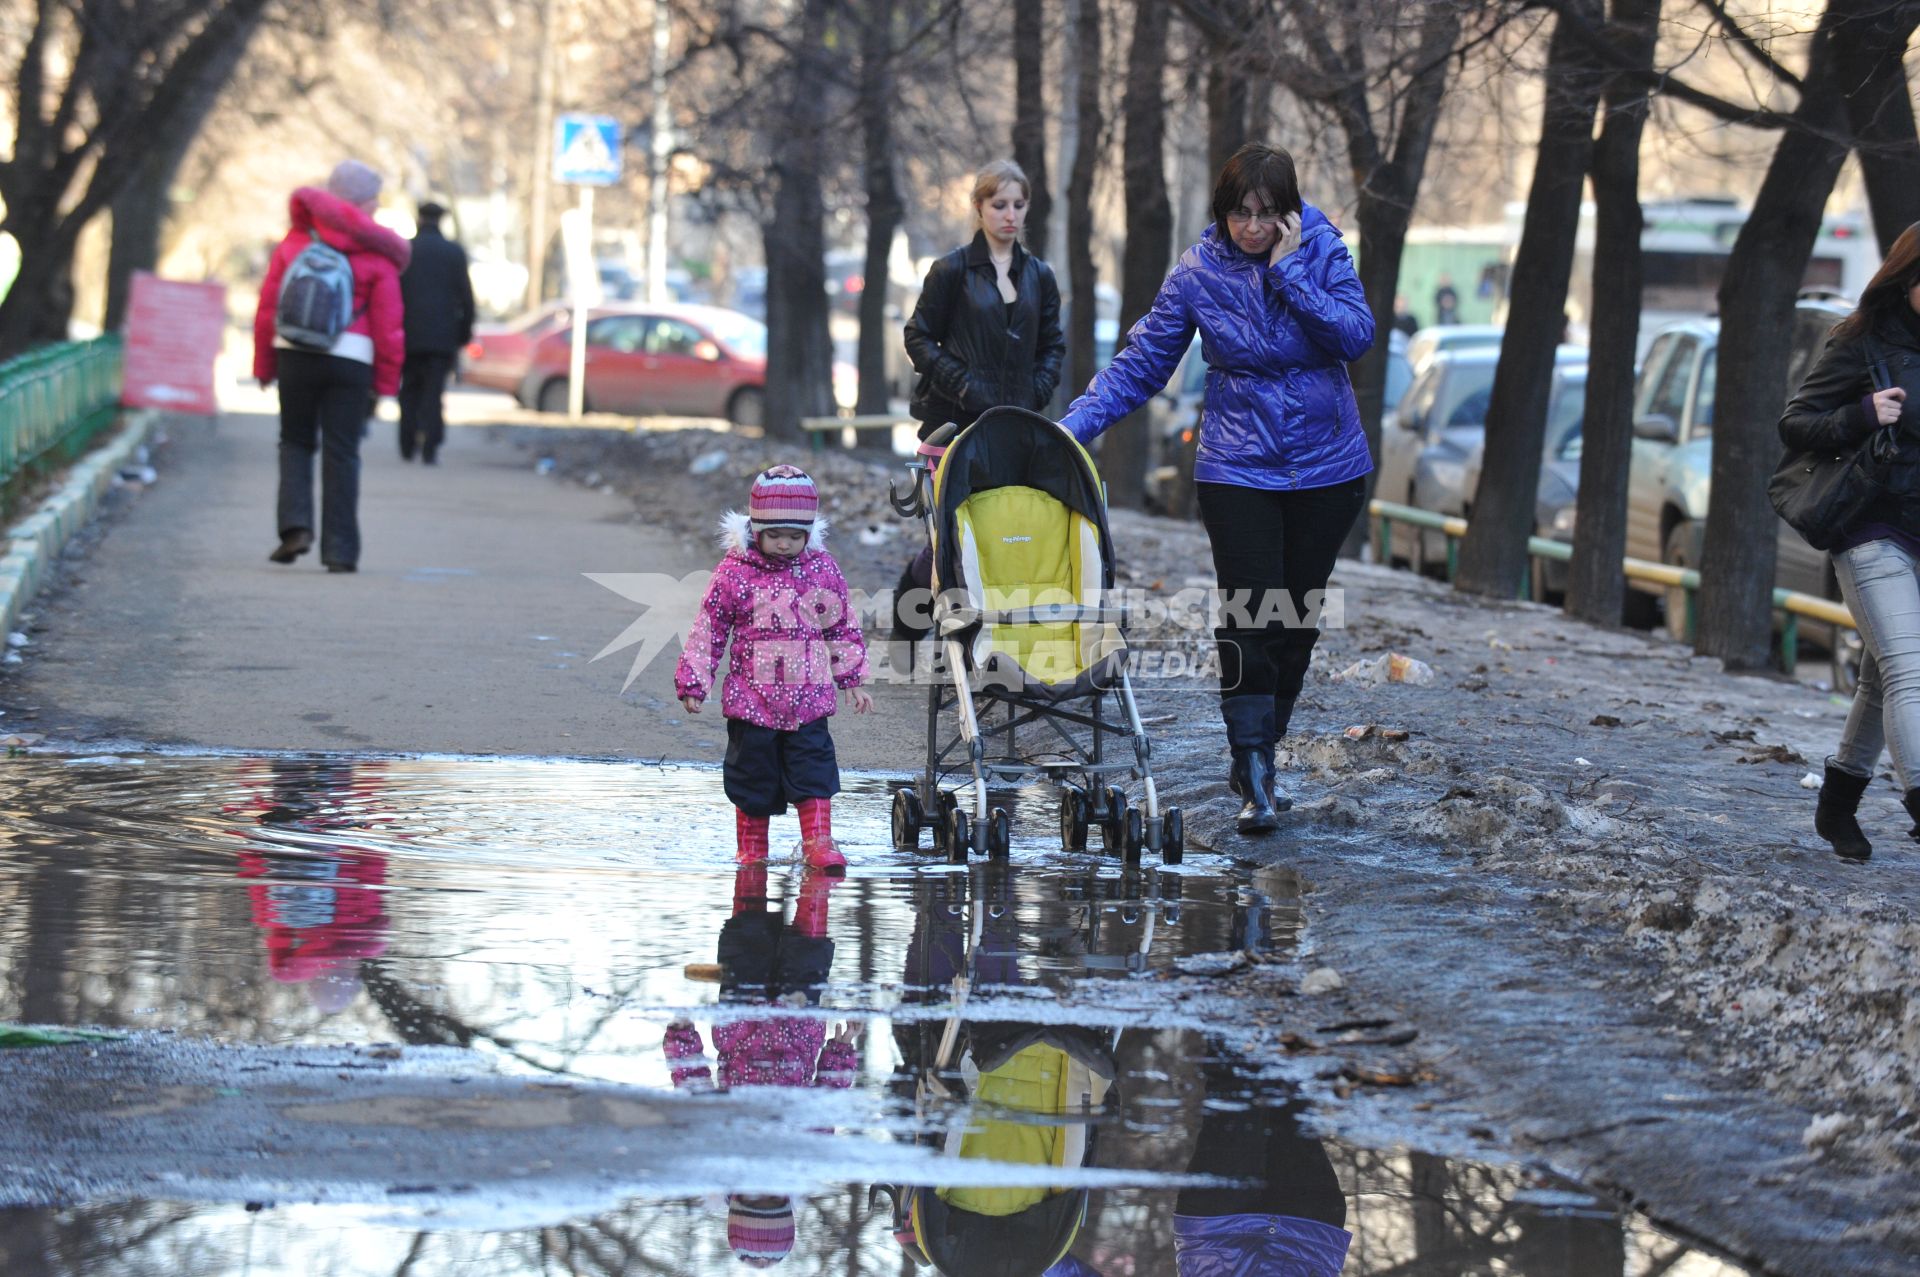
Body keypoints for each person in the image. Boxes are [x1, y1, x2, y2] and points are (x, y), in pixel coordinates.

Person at [1058, 141, 1374, 836]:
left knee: (1296, 620)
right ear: (1222, 212)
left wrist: (1290, 275)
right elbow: (1144, 361)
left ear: (1289, 214)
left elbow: (1355, 334)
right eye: (1240, 214)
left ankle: (1264, 747)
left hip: (1328, 468)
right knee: (1248, 614)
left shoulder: (1320, 248)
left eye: (1267, 214)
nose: (1253, 227)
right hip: (1238, 466)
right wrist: (1071, 428)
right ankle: (1254, 764)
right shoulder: (1198, 270)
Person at [1780, 222, 1920, 863]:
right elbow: (1796, 423)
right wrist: (1863, 415)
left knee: (1878, 679)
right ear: (1909, 279)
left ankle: (1836, 804)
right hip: (1871, 528)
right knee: (1910, 670)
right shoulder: (1860, 344)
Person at [894, 160, 1066, 658]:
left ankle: (989, 644)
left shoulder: (1039, 275)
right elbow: (917, 337)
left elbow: (1053, 344)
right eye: (999, 205)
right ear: (979, 208)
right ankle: (909, 628)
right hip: (954, 422)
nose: (1009, 215)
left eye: (1018, 205)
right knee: (948, 533)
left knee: (1003, 528)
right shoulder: (950, 271)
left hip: (1017, 424)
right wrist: (964, 382)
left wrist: (1037, 390)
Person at [675, 465, 872, 870]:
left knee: (813, 770)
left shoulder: (820, 569)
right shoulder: (735, 572)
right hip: (752, 699)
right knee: (752, 777)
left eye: (795, 537)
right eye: (775, 535)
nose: (785, 545)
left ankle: (819, 841)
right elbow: (710, 627)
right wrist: (695, 680)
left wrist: (851, 678)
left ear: (809, 532)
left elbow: (840, 624)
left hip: (809, 697)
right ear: (756, 529)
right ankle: (752, 849)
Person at [666, 862, 857, 1267]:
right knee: (809, 942)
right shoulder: (806, 1150)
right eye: (773, 1198)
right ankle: (817, 885)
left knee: (748, 934)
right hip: (799, 1018)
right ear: (788, 1199)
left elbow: (695, 1086)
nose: (763, 1183)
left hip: (741, 1017)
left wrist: (682, 1036)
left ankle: (751, 865)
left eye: (754, 1197)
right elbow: (827, 1099)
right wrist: (841, 1048)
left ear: (734, 1196)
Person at [253, 160, 409, 574]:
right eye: (373, 198)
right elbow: (389, 325)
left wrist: (264, 364)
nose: (377, 206)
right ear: (360, 202)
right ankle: (340, 550)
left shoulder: (295, 243)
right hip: (351, 360)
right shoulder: (378, 254)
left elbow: (268, 307)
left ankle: (295, 528)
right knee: (342, 451)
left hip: (295, 353)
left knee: (295, 441)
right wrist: (387, 383)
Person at [397, 201, 475, 464]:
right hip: (442, 336)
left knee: (409, 389)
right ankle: (431, 445)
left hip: (408, 335)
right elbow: (466, 297)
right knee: (433, 391)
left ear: (419, 218)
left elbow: (393, 295)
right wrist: (463, 333)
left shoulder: (406, 250)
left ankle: (407, 442)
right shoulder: (453, 252)